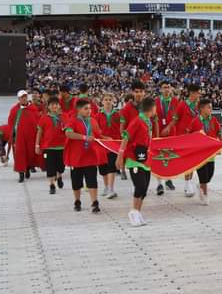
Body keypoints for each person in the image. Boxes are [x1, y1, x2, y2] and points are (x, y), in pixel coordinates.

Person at [64, 99, 111, 213]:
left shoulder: (93, 121)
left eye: (90, 108)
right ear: (79, 110)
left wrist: (108, 139)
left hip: (90, 156)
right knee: (76, 182)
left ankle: (95, 203)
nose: (89, 111)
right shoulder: (73, 121)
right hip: (77, 158)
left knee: (92, 180)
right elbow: (68, 133)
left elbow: (98, 135)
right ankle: (77, 201)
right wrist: (84, 137)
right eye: (86, 109)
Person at [116, 97, 157, 227]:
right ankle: (133, 212)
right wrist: (120, 155)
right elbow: (126, 137)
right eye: (155, 107)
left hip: (145, 160)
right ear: (151, 108)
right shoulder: (137, 121)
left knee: (144, 189)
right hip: (135, 160)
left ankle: (138, 213)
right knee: (139, 186)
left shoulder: (148, 121)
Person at [187, 98, 222, 205]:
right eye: (209, 107)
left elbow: (219, 131)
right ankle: (205, 194)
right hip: (200, 154)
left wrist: (220, 143)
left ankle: (202, 186)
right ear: (202, 109)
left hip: (211, 153)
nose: (211, 109)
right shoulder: (195, 121)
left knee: (209, 175)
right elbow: (189, 134)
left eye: (211, 107)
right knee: (203, 175)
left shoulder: (213, 120)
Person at [173, 83, 201, 197]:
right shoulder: (182, 105)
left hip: (196, 136)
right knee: (187, 160)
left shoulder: (199, 105)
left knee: (194, 160)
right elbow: (175, 120)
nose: (198, 95)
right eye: (197, 93)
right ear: (191, 93)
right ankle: (187, 183)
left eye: (199, 93)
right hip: (184, 137)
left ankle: (189, 182)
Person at [8, 90, 42, 182]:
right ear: (18, 99)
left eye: (25, 97)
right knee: (19, 155)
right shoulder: (15, 110)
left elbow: (38, 122)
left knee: (30, 154)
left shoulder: (33, 108)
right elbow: (11, 123)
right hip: (19, 138)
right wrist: (13, 136)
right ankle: (21, 173)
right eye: (22, 97)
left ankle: (27, 168)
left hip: (31, 137)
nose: (24, 98)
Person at [35, 96, 66, 194]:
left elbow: (69, 130)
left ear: (59, 106)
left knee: (61, 166)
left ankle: (59, 176)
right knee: (50, 166)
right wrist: (37, 145)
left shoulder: (64, 117)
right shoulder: (44, 118)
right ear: (48, 107)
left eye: (56, 104)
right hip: (48, 147)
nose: (54, 106)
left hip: (62, 146)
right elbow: (39, 132)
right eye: (52, 105)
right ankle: (52, 185)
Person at [95, 92, 121, 199]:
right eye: (106, 99)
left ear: (113, 101)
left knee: (111, 166)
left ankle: (111, 188)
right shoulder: (97, 115)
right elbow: (95, 130)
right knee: (103, 168)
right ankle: (106, 187)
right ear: (102, 102)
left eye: (110, 99)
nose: (108, 101)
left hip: (114, 144)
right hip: (101, 144)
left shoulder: (118, 114)